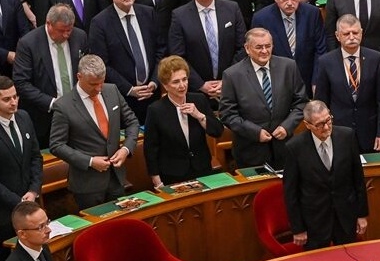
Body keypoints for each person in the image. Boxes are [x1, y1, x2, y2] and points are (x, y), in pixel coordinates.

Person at [49, 54, 139, 210]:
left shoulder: (112, 90)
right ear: (79, 77)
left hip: (116, 178)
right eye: (93, 84)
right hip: (87, 185)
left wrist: (126, 149)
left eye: (101, 83)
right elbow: (56, 145)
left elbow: (132, 122)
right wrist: (90, 161)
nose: (98, 89)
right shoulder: (64, 106)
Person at [283, 99, 368, 249]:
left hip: (345, 216)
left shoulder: (347, 136)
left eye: (328, 120)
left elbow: (358, 180)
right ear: (308, 125)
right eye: (320, 124)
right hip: (314, 220)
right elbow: (291, 193)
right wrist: (298, 229)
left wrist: (362, 215)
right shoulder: (294, 148)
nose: (327, 127)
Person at [219, 28, 307, 170]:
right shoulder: (232, 75)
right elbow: (227, 114)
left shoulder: (288, 67)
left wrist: (287, 126)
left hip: (284, 149)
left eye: (268, 46)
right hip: (250, 152)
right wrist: (255, 132)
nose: (265, 51)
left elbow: (301, 102)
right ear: (247, 48)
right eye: (259, 47)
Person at [88, 0, 163, 122]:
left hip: (152, 93)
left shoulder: (148, 13)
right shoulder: (100, 23)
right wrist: (129, 90)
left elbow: (160, 49)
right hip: (122, 98)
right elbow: (102, 64)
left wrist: (155, 81)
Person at [168, 0, 246, 98]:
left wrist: (227, 79)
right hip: (196, 90)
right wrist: (200, 85)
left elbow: (242, 48)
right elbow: (178, 56)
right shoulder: (179, 15)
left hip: (231, 85)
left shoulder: (232, 9)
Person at [314, 15, 380, 153]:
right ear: (337, 36)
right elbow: (321, 102)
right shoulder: (326, 62)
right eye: (346, 33)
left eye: (355, 33)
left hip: (369, 132)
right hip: (337, 133)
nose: (351, 37)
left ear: (361, 33)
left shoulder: (376, 58)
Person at [144, 55, 223, 187]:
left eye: (184, 79)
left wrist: (199, 115)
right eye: (176, 82)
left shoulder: (199, 100)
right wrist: (156, 179)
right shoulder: (156, 110)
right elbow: (150, 148)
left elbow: (217, 131)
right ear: (165, 85)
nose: (182, 85)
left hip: (202, 168)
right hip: (173, 174)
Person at [13, 3, 86, 144]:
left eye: (69, 30)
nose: (66, 35)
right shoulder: (28, 43)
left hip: (78, 114)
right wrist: (53, 103)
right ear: (49, 24)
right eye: (61, 30)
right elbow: (21, 83)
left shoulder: (79, 36)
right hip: (44, 117)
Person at [251, 0, 326, 89]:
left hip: (307, 80)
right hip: (275, 83)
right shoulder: (261, 18)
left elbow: (320, 49)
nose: (290, 3)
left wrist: (316, 80)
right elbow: (257, 54)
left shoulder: (312, 14)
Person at [0, 76, 42, 259]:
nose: (13, 102)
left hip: (31, 205)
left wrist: (33, 191)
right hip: (4, 213)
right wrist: (18, 201)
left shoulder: (24, 117)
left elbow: (35, 157)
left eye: (15, 97)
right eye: (6, 99)